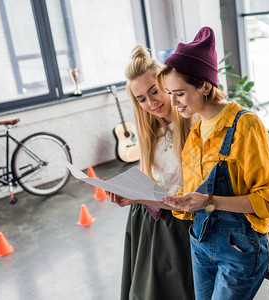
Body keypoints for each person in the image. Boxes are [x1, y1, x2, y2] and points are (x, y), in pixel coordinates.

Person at [157, 26, 269, 300]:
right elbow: (191, 198)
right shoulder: (195, 132)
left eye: (179, 92)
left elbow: (268, 200)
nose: (173, 102)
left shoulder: (244, 124)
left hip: (238, 251)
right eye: (169, 93)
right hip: (200, 244)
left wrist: (207, 201)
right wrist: (134, 198)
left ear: (205, 85)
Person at [106, 45, 194, 300]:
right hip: (145, 222)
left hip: (180, 227)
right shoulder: (149, 133)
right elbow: (154, 178)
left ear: (167, 85)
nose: (151, 103)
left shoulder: (195, 126)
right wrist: (128, 191)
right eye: (141, 98)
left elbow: (199, 192)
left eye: (154, 91)